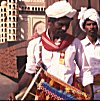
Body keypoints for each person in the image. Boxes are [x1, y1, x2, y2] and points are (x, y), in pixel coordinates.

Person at [8, 1, 93, 100]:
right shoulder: (36, 45)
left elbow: (85, 71)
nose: (64, 28)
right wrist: (15, 90)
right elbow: (29, 73)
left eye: (67, 25)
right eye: (60, 24)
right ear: (50, 22)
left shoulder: (75, 44)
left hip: (67, 96)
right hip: (44, 96)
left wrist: (90, 94)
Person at [78, 7, 100, 100]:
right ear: (84, 27)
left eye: (94, 24)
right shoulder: (79, 45)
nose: (91, 27)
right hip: (85, 90)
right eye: (88, 24)